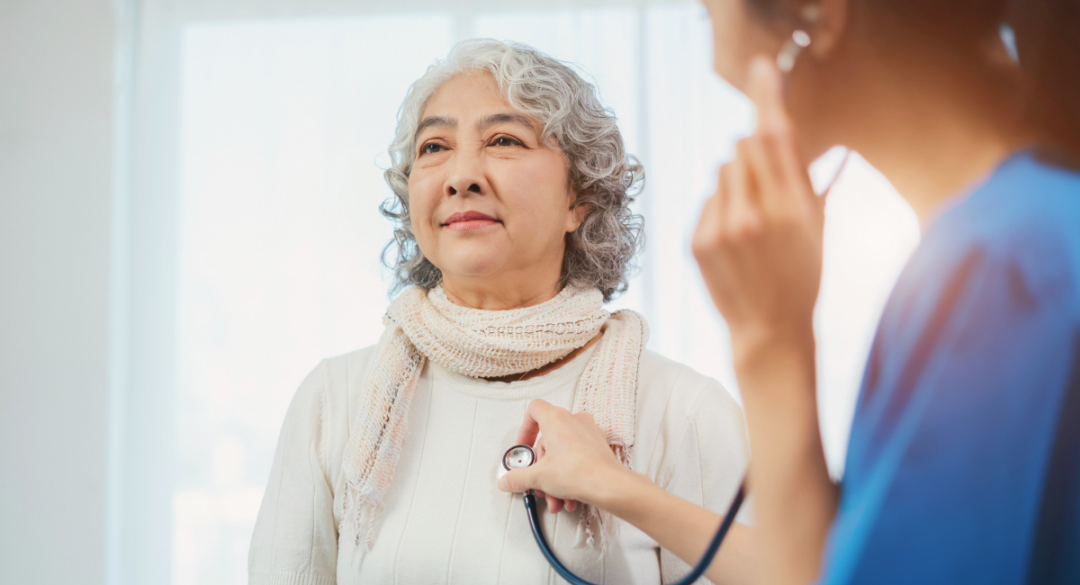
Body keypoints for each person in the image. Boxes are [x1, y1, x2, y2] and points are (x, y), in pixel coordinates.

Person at [498, 0, 1080, 584]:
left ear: (818, 17)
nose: (716, 62)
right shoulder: (1029, 231)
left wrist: (769, 345)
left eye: (706, 13)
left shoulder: (1000, 272)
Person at [248, 39, 753, 585]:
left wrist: (620, 488)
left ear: (577, 198)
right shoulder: (333, 400)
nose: (460, 176)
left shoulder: (685, 413)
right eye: (434, 147)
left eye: (504, 140)